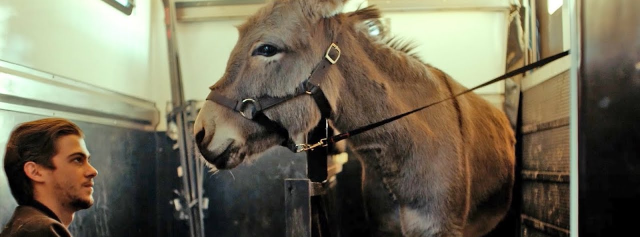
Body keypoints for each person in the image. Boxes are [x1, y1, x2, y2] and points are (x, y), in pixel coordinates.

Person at [1, 118, 98, 237]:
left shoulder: (28, 227)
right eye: (77, 159)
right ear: (35, 172)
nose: (93, 171)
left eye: (88, 160)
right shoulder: (40, 231)